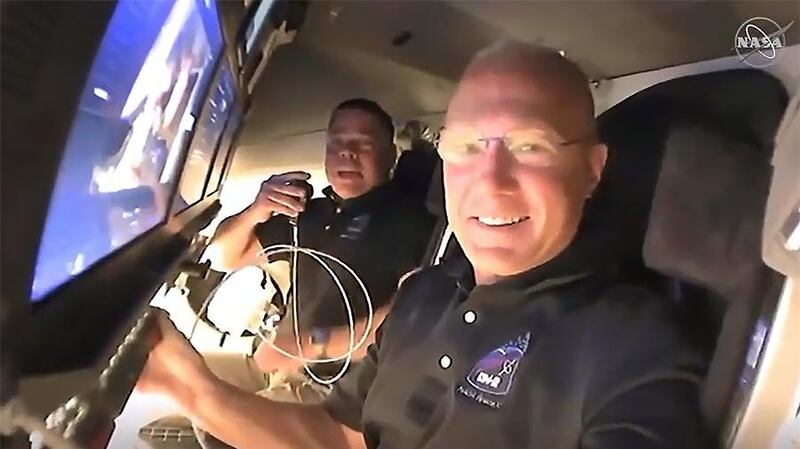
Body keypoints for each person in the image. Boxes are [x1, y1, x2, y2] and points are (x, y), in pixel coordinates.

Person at [139, 41, 709, 449]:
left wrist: (317, 343)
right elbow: (341, 436)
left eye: (531, 146)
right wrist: (190, 389)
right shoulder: (424, 300)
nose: (491, 180)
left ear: (591, 170)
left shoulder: (633, 346)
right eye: (464, 148)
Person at [207, 98, 436, 370]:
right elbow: (221, 257)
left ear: (391, 156)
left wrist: (313, 345)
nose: (347, 152)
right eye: (337, 143)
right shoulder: (307, 214)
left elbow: (411, 320)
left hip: (340, 389)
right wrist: (257, 210)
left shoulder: (410, 220)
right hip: (282, 367)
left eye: (363, 143)